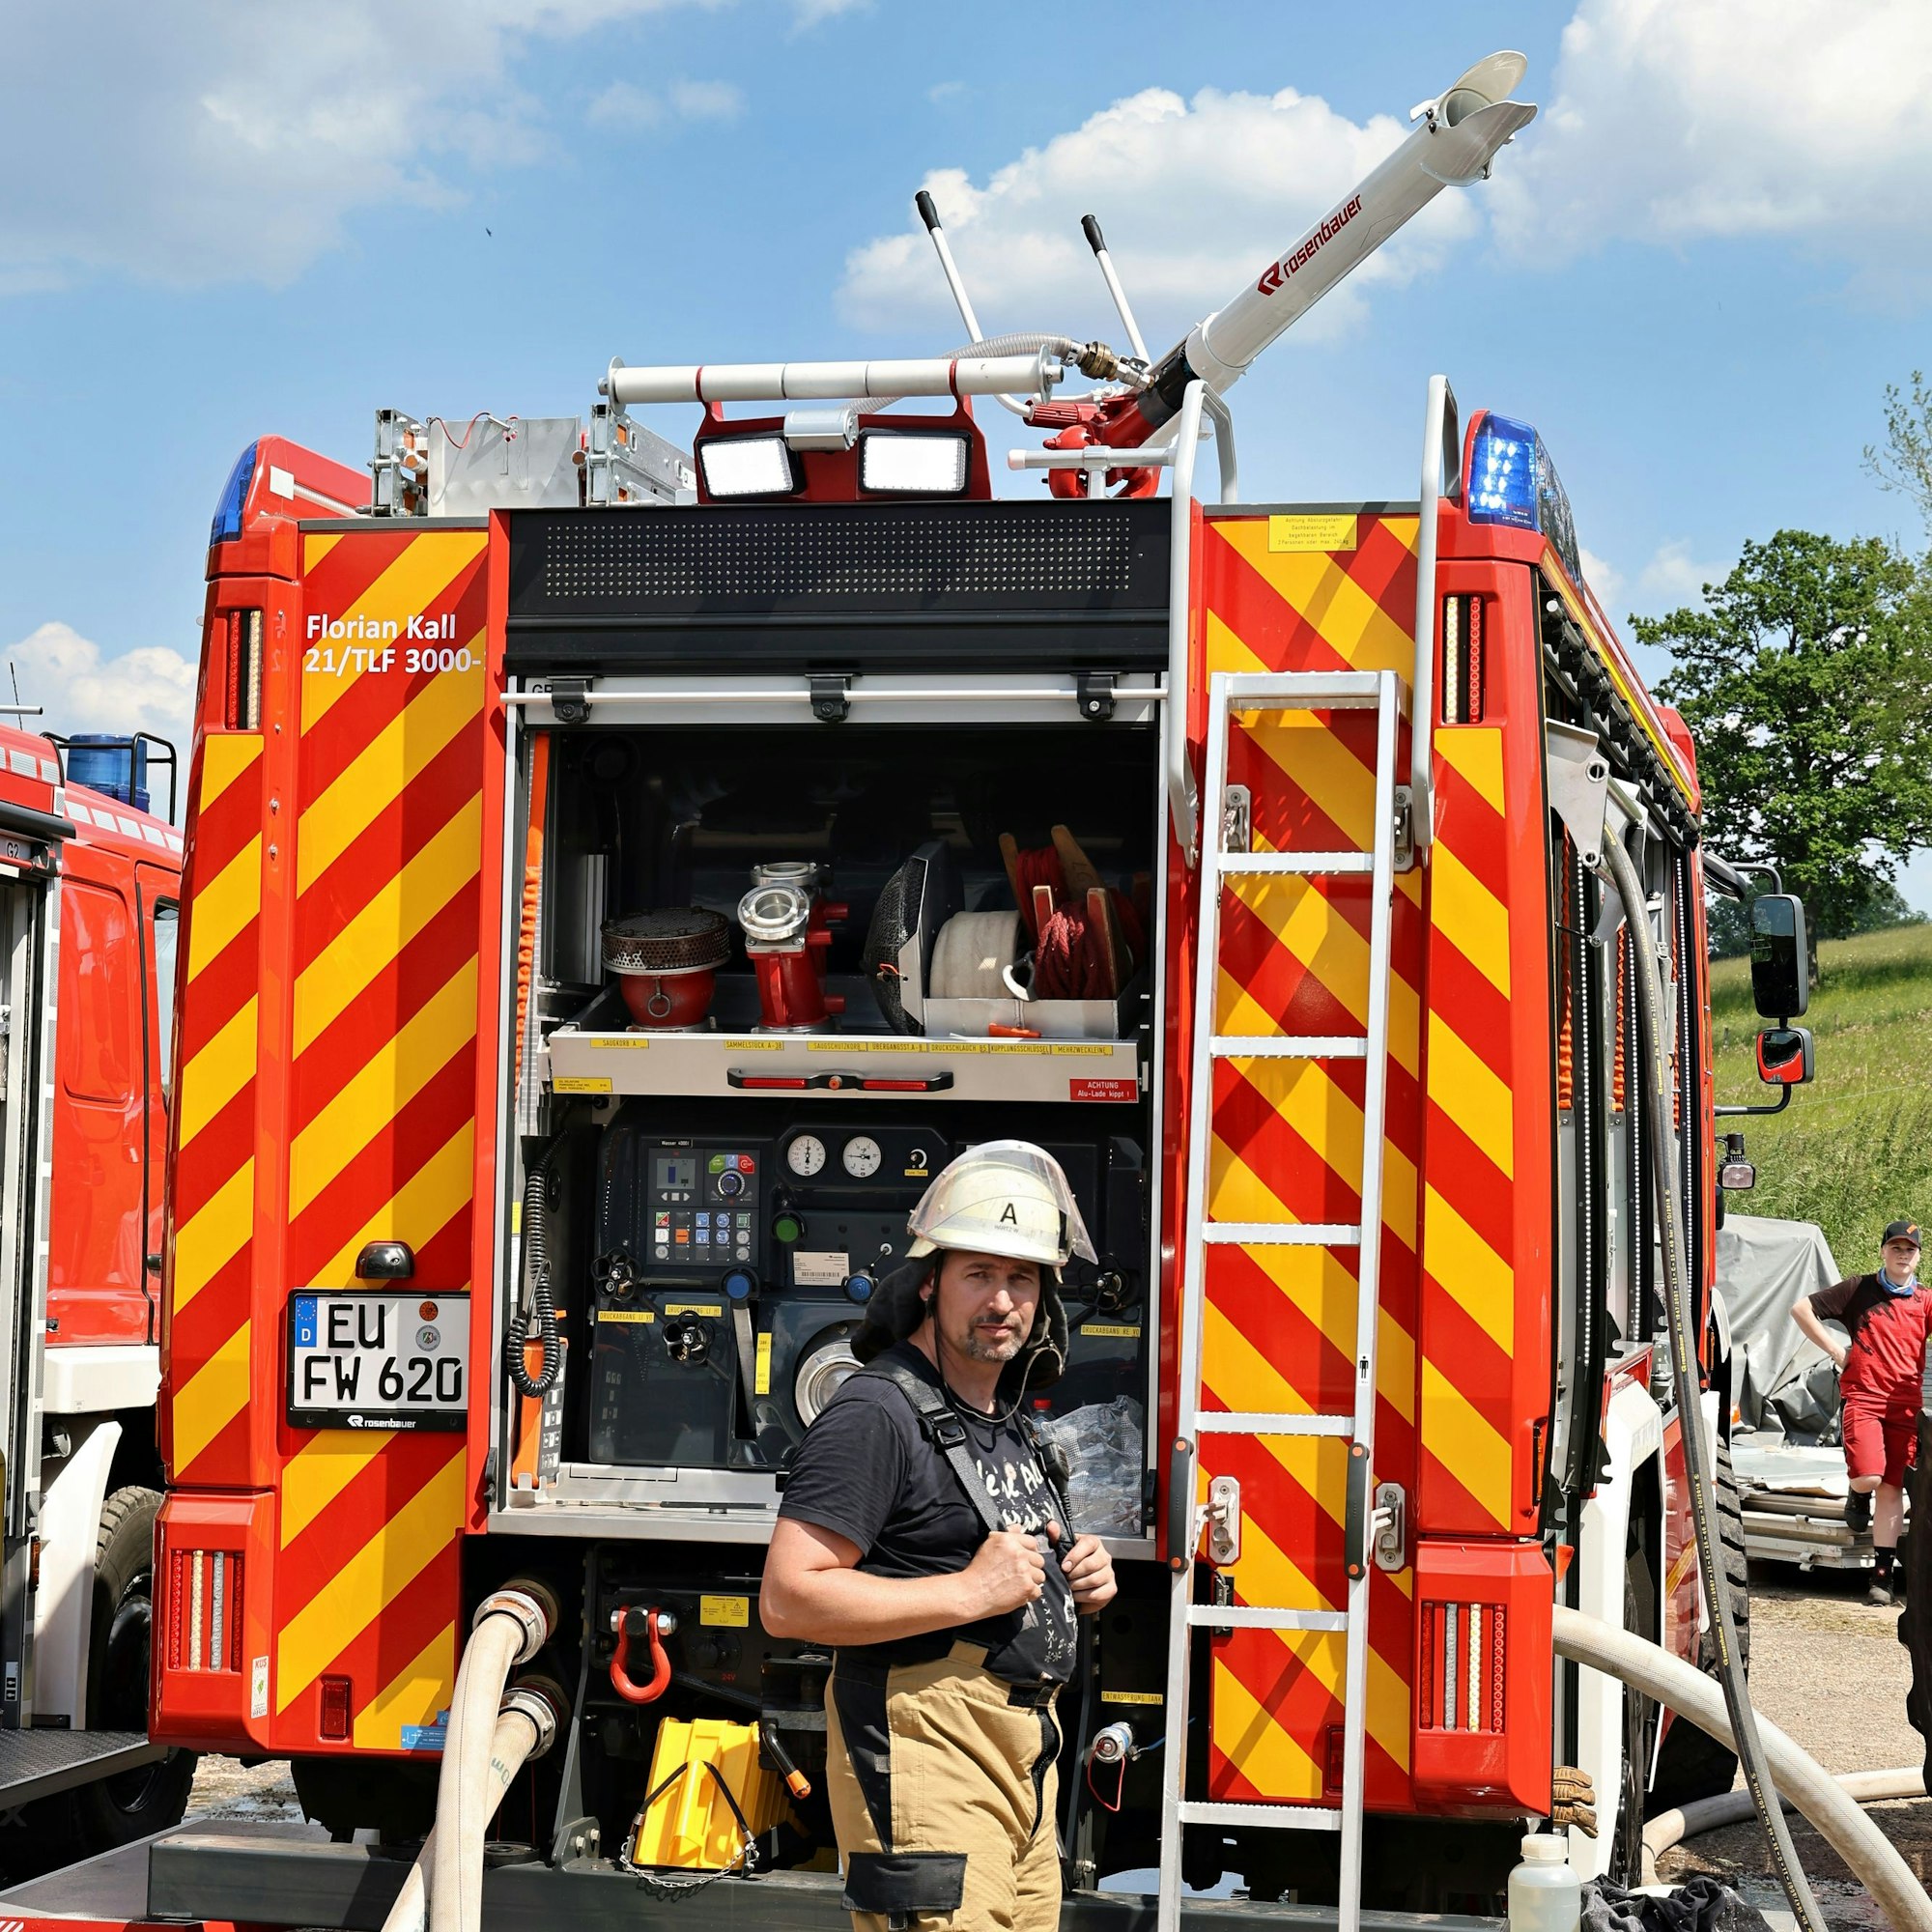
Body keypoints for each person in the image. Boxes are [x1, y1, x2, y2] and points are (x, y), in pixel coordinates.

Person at [762, 1141, 1118, 1932]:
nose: (1000, 1301)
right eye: (978, 1275)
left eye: (1020, 1279)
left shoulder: (1005, 1422)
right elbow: (789, 1599)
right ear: (930, 1283)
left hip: (1024, 1759)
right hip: (929, 1744)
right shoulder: (875, 1413)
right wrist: (969, 1592)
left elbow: (990, 1557)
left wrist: (1075, 1575)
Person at [1792, 1219, 1925, 1606]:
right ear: (1883, 1250)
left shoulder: (1925, 1301)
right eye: (1896, 1247)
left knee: (1892, 1490)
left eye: (1910, 1249)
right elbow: (1800, 1309)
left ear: (1918, 1257)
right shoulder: (1857, 1289)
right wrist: (1837, 1351)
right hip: (1864, 1399)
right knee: (1869, 1477)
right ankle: (1855, 1491)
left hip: (1905, 1406)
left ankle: (1881, 1577)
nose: (1903, 1254)